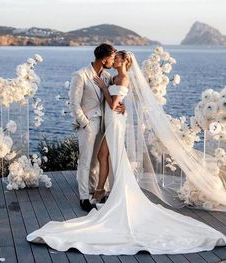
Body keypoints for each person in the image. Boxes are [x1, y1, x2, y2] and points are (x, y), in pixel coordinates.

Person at [27, 50, 226, 255]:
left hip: (114, 122)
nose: (114, 60)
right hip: (111, 120)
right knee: (103, 156)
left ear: (125, 61)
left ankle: (103, 193)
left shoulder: (122, 77)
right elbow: (120, 102)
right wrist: (120, 104)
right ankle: (100, 192)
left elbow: (113, 103)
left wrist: (106, 90)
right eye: (113, 57)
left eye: (118, 58)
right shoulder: (111, 76)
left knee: (109, 156)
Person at [69, 43, 125, 212]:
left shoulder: (107, 77)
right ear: (104, 58)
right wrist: (84, 123)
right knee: (85, 161)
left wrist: (123, 107)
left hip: (104, 124)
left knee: (96, 161)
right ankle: (84, 197)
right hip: (88, 125)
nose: (113, 61)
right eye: (112, 58)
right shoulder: (80, 75)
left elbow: (113, 98)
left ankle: (94, 191)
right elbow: (73, 103)